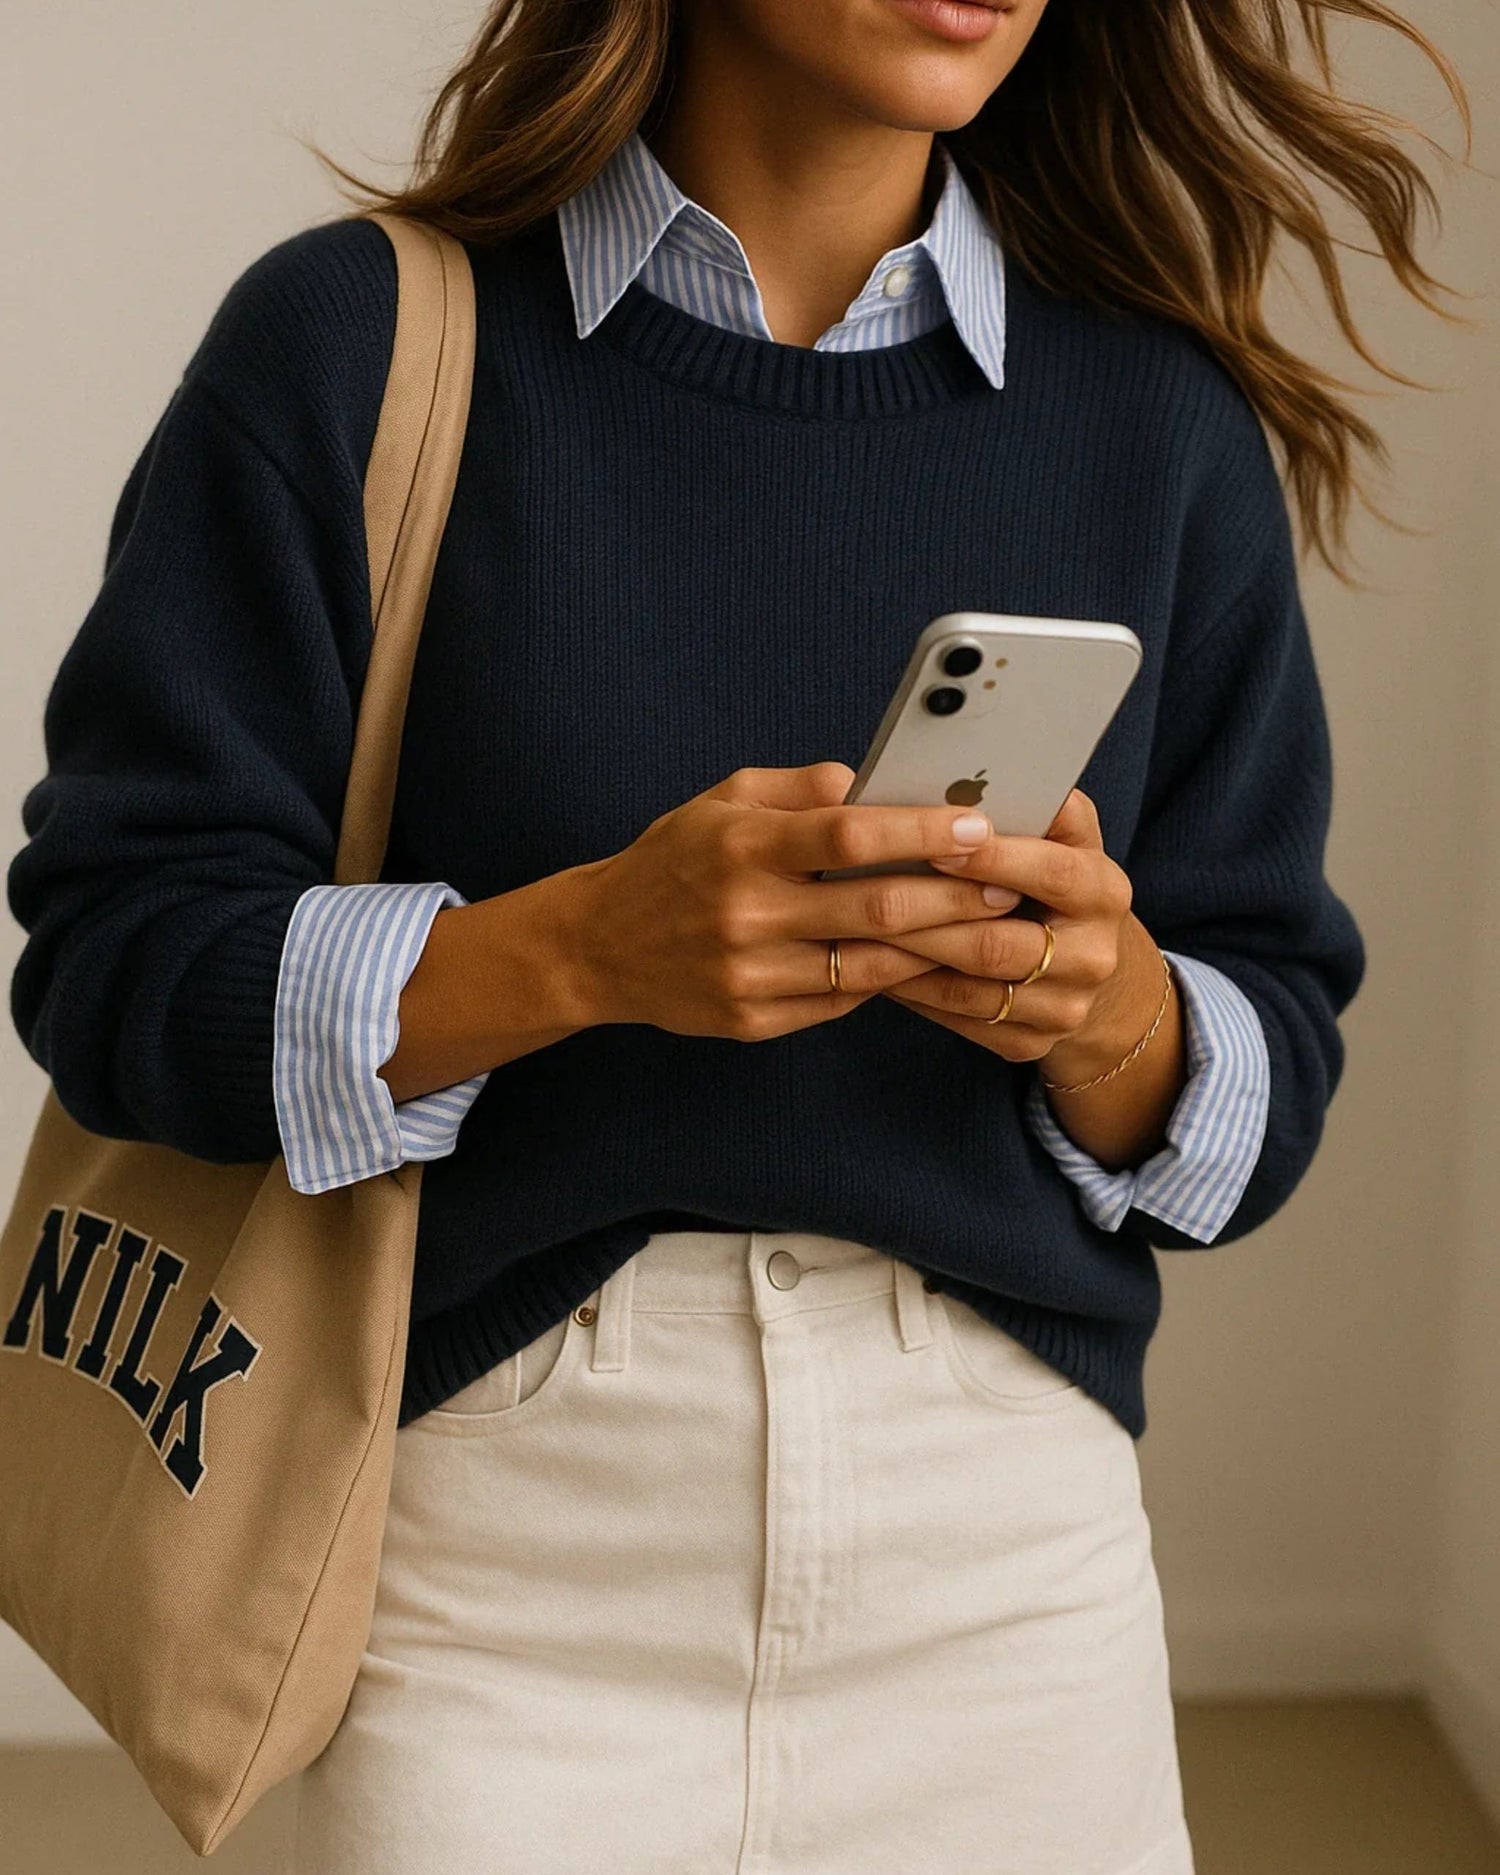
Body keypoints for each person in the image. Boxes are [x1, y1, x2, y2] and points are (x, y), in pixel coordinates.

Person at [7, 0, 1465, 1868]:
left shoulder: (1156, 421)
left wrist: (1103, 1017)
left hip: (1008, 1580)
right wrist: (582, 954)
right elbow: (116, 965)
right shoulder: (357, 343)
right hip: (496, 1577)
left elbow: (1270, 1078)